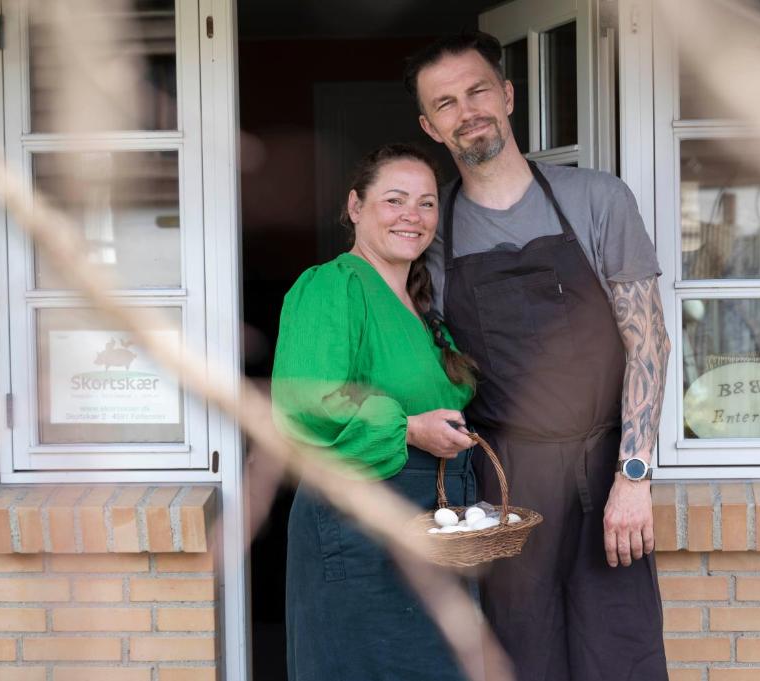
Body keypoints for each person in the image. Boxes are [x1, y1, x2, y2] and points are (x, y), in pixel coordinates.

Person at [404, 33, 672, 680]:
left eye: (477, 91)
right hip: (503, 486)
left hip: (606, 469)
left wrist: (633, 477)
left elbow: (649, 340)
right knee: (521, 658)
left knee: (622, 655)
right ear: (430, 126)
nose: (466, 111)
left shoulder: (598, 200)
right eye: (445, 103)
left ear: (509, 95)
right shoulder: (432, 238)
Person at [271, 143, 479, 681]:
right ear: (356, 206)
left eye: (427, 203)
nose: (412, 215)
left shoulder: (423, 307)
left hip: (434, 515)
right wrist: (408, 427)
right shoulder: (330, 286)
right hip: (361, 516)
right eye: (394, 199)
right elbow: (307, 398)